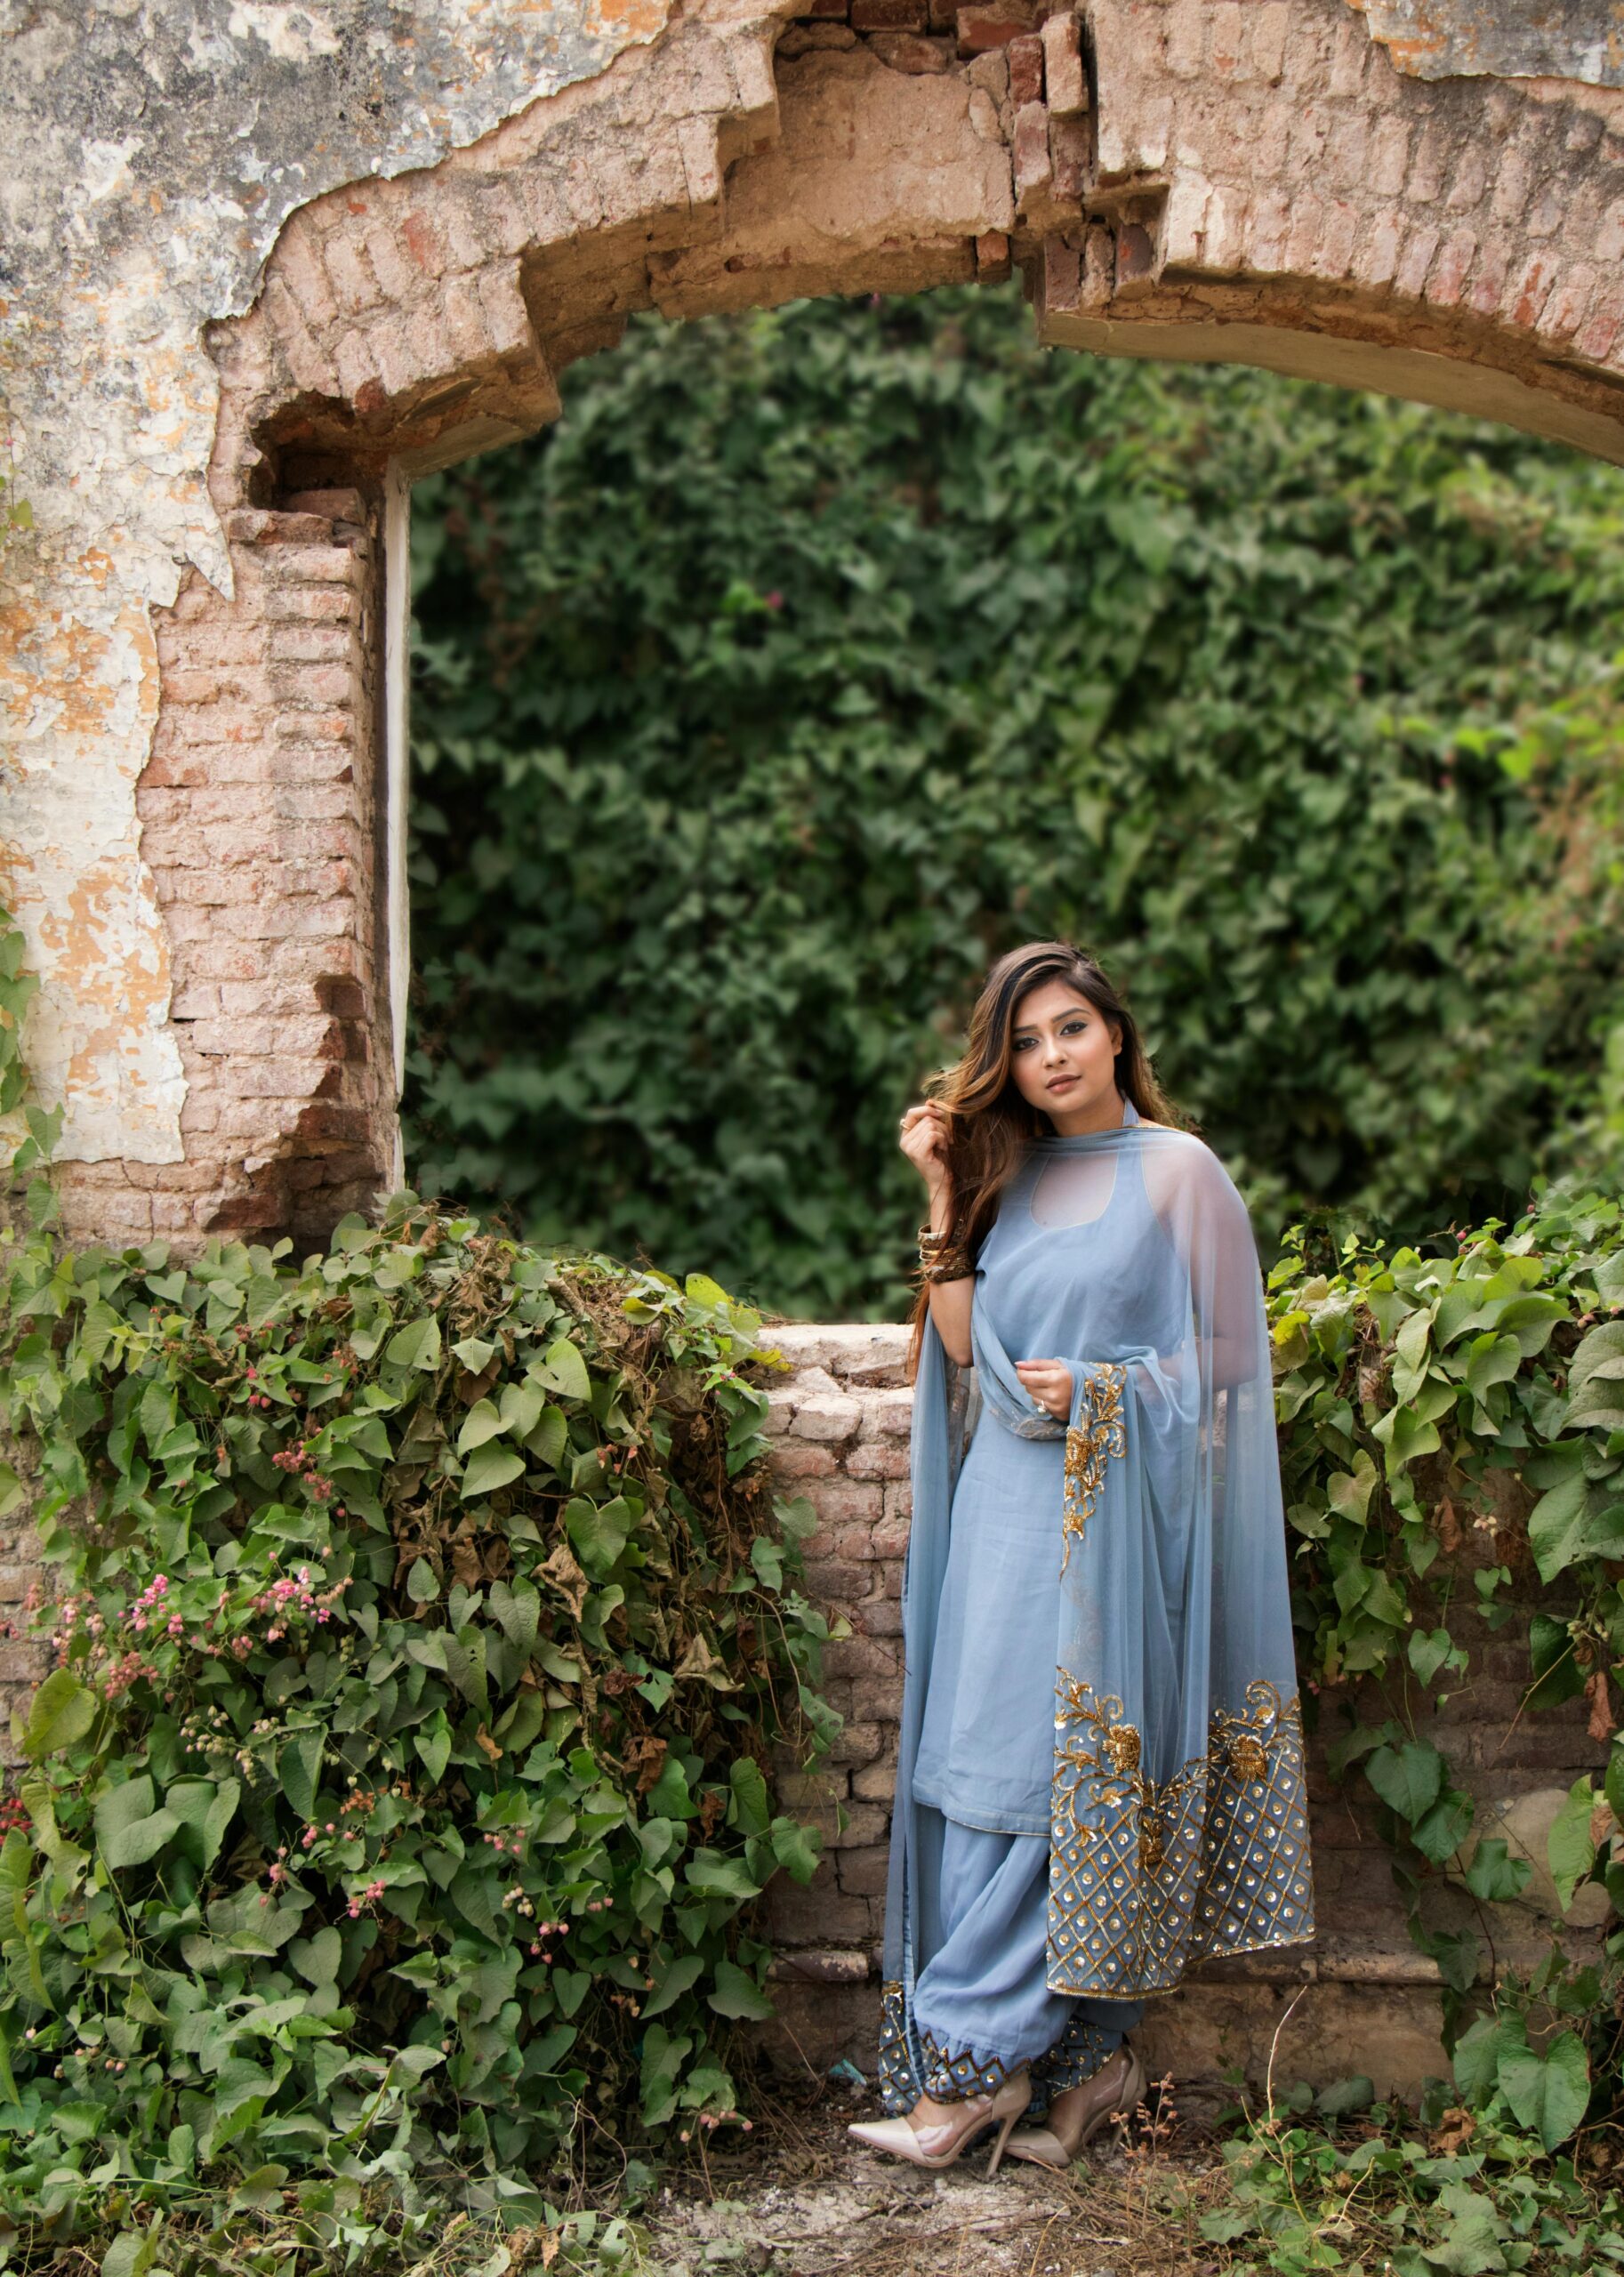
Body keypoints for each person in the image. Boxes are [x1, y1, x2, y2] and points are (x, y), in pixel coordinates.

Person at [848, 940, 1315, 2176]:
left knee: (1064, 1788)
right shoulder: (1008, 1171)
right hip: (1003, 1512)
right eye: (1023, 1041)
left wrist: (1110, 1386)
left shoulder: (1178, 1173)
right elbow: (959, 1351)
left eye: (1069, 1029)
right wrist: (944, 1196)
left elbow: (1228, 1352)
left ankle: (967, 2078)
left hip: (1109, 1520)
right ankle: (1091, 2067)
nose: (1048, 1057)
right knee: (985, 1778)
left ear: (1115, 1035)